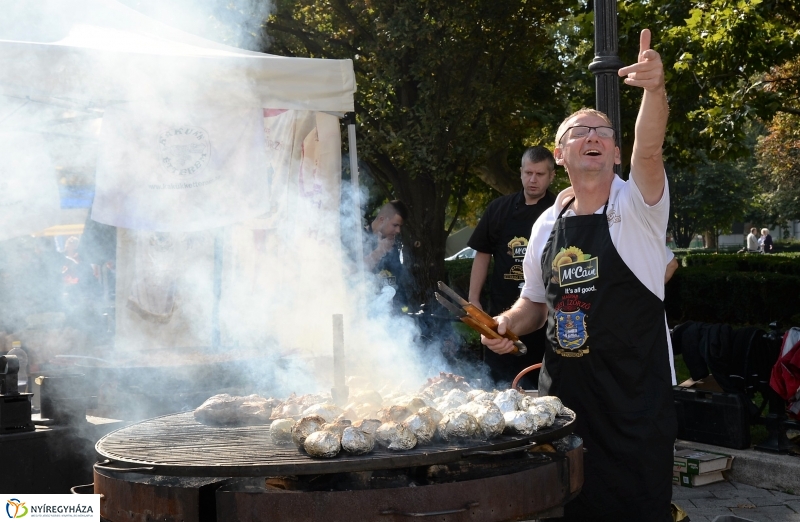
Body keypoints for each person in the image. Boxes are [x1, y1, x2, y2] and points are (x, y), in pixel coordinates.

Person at [482, 29, 676, 521]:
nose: (593, 137)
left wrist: (654, 90)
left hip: (634, 407)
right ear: (560, 154)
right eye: (579, 132)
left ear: (615, 153)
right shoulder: (545, 224)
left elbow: (649, 151)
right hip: (564, 406)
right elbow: (533, 303)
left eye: (603, 132)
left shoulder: (638, 207)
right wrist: (505, 324)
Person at [466, 146, 556, 388]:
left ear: (551, 176)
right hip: (502, 313)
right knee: (498, 386)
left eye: (540, 174)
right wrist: (473, 299)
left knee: (542, 388)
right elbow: (482, 253)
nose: (533, 179)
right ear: (521, 172)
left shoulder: (560, 212)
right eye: (528, 173)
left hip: (547, 318)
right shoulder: (499, 208)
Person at [363, 200, 410, 307]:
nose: (398, 230)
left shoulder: (391, 245)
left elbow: (398, 282)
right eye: (395, 225)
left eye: (400, 226)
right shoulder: (358, 238)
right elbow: (351, 272)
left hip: (388, 313)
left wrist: (402, 310)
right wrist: (380, 251)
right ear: (382, 219)